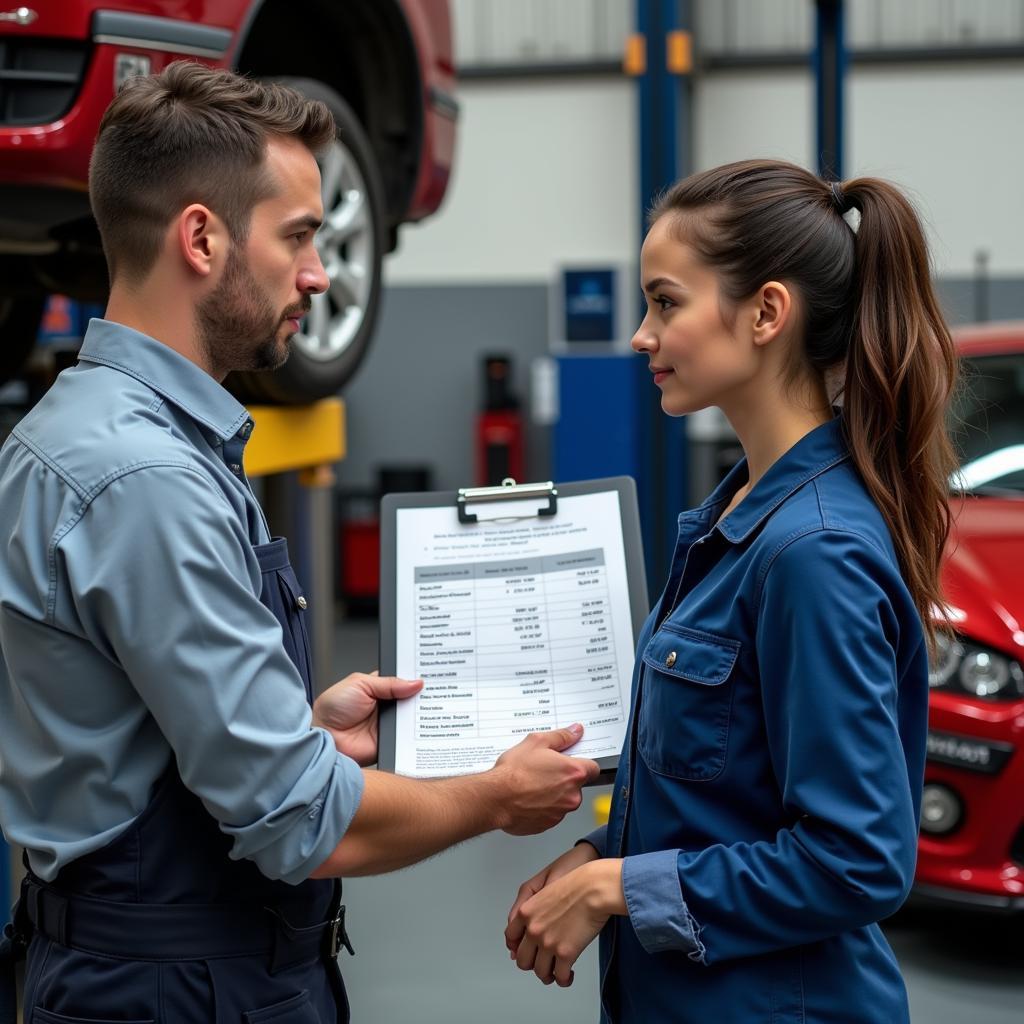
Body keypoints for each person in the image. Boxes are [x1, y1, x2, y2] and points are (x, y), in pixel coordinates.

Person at [0, 63, 598, 1024]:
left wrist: (303, 728)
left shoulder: (105, 433)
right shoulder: (145, 478)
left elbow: (137, 731)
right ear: (200, 237)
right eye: (299, 237)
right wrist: (493, 795)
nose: (320, 273)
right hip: (177, 991)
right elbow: (299, 823)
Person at [504, 159, 958, 1023]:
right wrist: (604, 852)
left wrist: (618, 888)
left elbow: (856, 858)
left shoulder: (812, 552)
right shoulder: (737, 518)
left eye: (666, 303)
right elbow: (730, 795)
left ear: (766, 313)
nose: (642, 334)